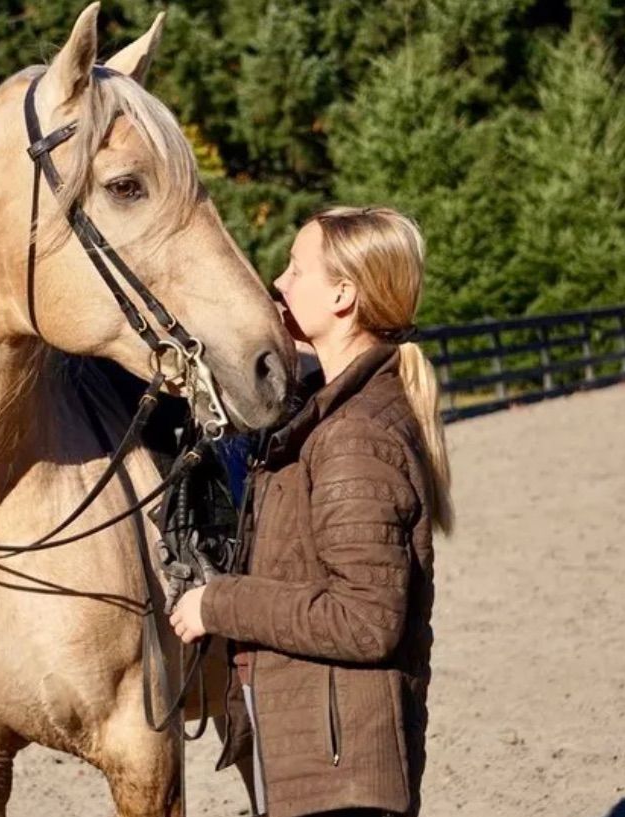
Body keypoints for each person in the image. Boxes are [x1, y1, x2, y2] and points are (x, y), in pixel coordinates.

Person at [169, 206, 454, 817]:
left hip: (343, 773)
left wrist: (217, 602)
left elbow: (363, 620)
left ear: (344, 295)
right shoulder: (331, 414)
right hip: (323, 754)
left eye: (296, 270)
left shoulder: (353, 439)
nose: (278, 283)